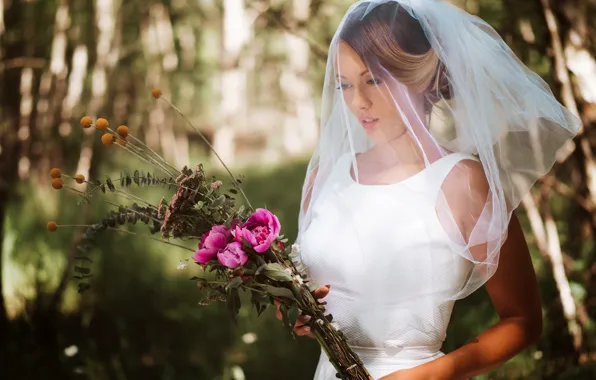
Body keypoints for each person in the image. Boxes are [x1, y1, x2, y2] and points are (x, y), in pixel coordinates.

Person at [277, 1, 580, 379]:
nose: (358, 102)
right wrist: (297, 307)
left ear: (419, 76)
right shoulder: (324, 176)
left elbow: (523, 319)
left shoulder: (463, 183)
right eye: (345, 84)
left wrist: (431, 374)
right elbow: (323, 292)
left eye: (374, 79)